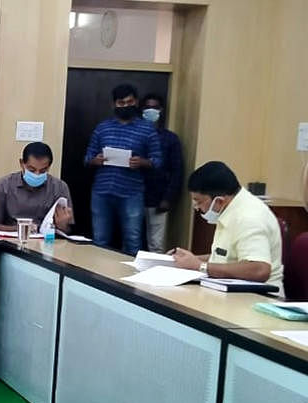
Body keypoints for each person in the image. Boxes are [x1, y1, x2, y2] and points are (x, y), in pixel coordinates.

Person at [169, 161, 284, 290]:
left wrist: (200, 266)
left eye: (199, 202)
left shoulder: (248, 217)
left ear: (219, 201)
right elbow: (227, 257)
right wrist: (190, 260)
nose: (196, 208)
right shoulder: (230, 208)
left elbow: (259, 269)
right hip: (231, 289)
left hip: (258, 297)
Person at [83, 84, 163, 255]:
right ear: (113, 105)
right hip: (102, 192)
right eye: (121, 103)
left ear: (136, 102)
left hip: (132, 193)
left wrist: (142, 162)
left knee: (133, 241)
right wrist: (95, 160)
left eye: (130, 102)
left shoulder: (147, 129)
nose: (126, 106)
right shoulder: (102, 127)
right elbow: (87, 157)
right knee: (100, 240)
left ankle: (129, 280)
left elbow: (158, 160)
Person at [0, 141, 73, 234]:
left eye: (43, 170)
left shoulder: (60, 187)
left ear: (49, 167)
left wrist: (63, 226)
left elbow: (68, 231)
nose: (37, 174)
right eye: (32, 170)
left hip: (47, 244)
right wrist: (22, 228)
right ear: (22, 163)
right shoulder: (2, 186)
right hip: (10, 243)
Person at [139, 93, 184, 253]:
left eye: (155, 107)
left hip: (158, 198)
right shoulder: (136, 135)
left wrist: (168, 198)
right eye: (147, 107)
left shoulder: (170, 139)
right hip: (134, 197)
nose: (151, 111)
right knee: (132, 242)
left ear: (161, 110)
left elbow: (177, 171)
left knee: (156, 245)